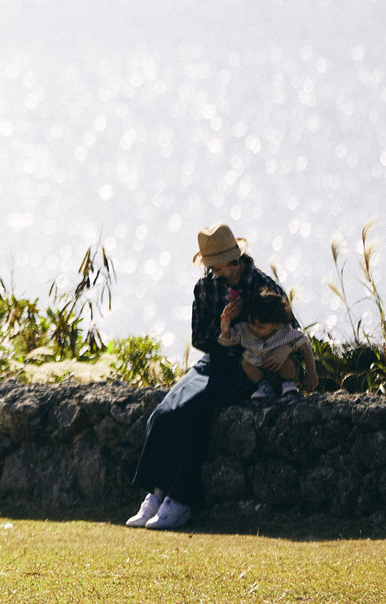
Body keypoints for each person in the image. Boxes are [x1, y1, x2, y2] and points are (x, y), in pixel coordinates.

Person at [125, 223, 296, 531]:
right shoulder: (205, 287)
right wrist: (224, 328)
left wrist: (283, 354)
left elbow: (291, 329)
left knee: (191, 413)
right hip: (213, 361)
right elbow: (200, 339)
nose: (212, 272)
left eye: (215, 265)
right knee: (163, 414)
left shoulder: (262, 286)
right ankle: (158, 493)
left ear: (232, 260)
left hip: (248, 367)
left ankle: (179, 500)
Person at [223, 287, 318, 399]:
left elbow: (305, 347)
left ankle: (288, 385)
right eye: (251, 323)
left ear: (277, 325)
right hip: (261, 372)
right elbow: (228, 341)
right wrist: (225, 331)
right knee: (245, 362)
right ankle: (264, 387)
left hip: (283, 372)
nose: (254, 329)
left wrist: (311, 372)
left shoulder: (285, 332)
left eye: (260, 327)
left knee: (289, 360)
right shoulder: (244, 330)